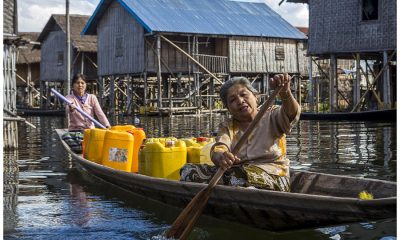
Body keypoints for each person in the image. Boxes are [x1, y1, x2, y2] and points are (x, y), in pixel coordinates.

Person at [180, 74, 300, 192]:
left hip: (273, 174)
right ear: (228, 108)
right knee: (188, 171)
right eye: (232, 100)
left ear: (255, 96)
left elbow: (291, 114)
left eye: (243, 95)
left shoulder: (272, 115)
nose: (240, 101)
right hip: (237, 173)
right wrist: (221, 157)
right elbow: (220, 147)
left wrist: (286, 94)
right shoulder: (227, 126)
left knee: (238, 176)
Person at [62, 74, 110, 153]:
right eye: (77, 83)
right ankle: (83, 147)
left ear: (85, 85)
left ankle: (84, 147)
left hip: (90, 131)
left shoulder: (92, 97)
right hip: (76, 131)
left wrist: (107, 126)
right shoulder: (69, 98)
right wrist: (71, 108)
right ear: (73, 85)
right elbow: (68, 108)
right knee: (65, 137)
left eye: (82, 83)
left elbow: (100, 113)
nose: (80, 85)